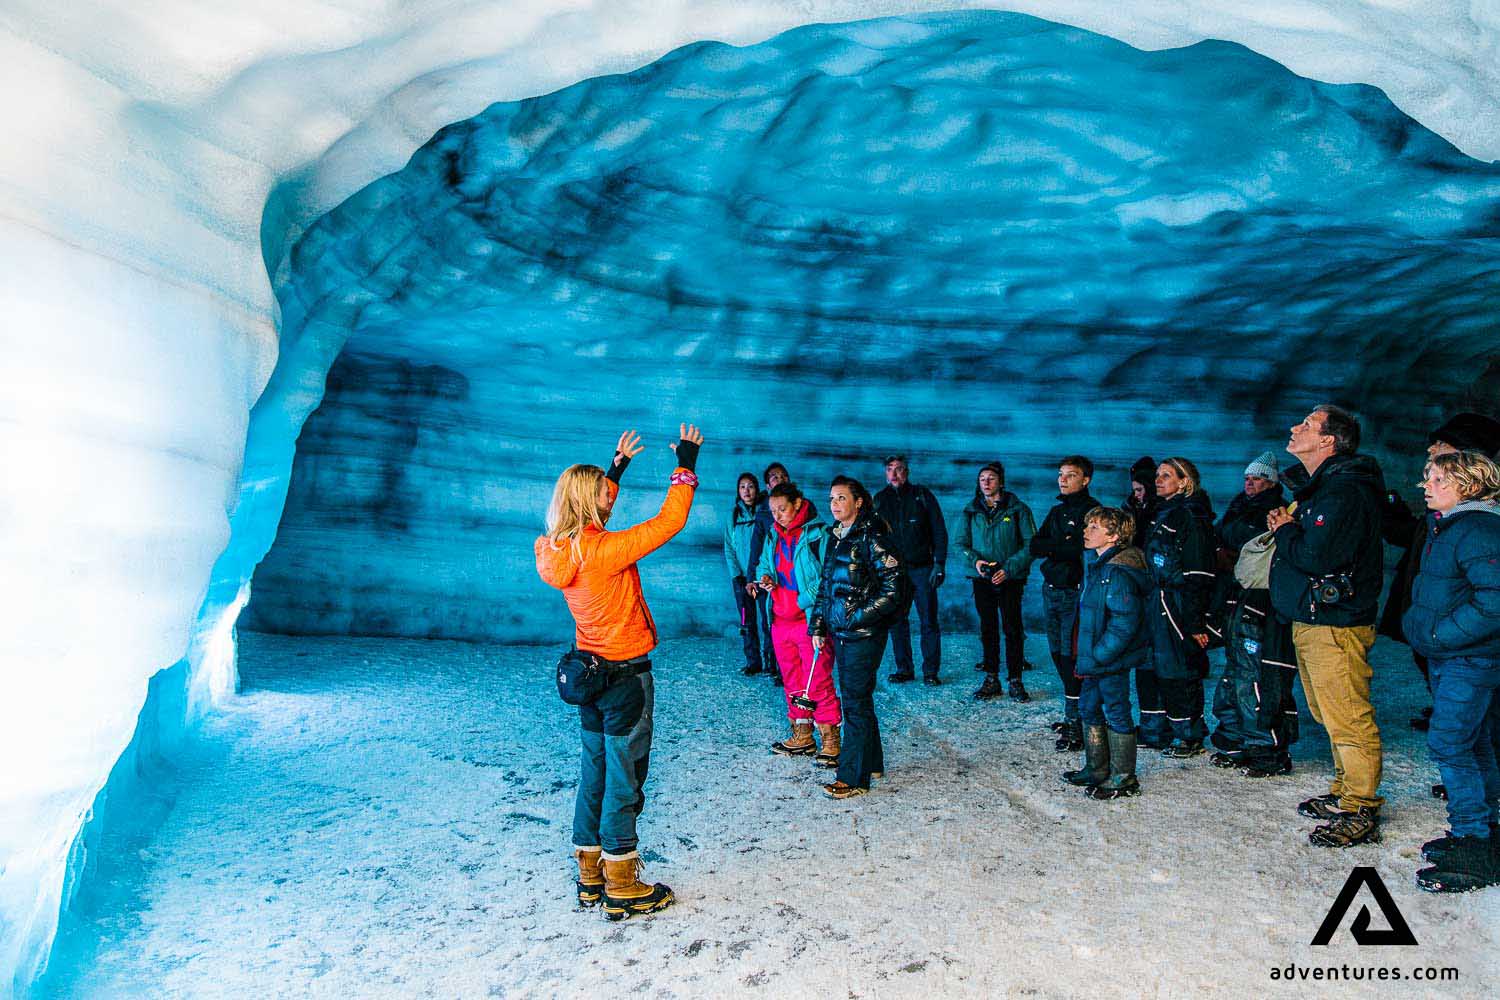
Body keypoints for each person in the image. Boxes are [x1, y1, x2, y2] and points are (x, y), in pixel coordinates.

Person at [535, 425, 703, 920]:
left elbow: (598, 504)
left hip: (589, 672)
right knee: (624, 777)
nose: (611, 500)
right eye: (603, 495)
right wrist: (686, 464)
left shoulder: (561, 549)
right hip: (626, 675)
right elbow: (669, 521)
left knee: (595, 772)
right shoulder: (605, 552)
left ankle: (589, 873)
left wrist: (616, 467)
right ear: (591, 503)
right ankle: (622, 881)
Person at [1268, 404, 1387, 848]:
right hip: (1314, 619)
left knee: (1348, 715)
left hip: (1334, 624)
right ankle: (1344, 790)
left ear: (1327, 441)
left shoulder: (1344, 493)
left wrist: (1284, 528)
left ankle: (1360, 805)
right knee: (1329, 712)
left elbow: (1318, 556)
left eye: (1306, 425)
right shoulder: (1327, 488)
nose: (1294, 427)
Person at [1401, 451, 1500, 892]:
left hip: (1469, 657)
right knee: (1473, 739)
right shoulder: (1453, 527)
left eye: (1438, 478)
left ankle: (1473, 840)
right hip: (1453, 655)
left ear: (1469, 485)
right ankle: (1484, 828)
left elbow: (1495, 601)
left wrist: (1442, 635)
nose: (1427, 485)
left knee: (1450, 742)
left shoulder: (1478, 530)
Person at [1379, 413, 1500, 733]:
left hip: (1461, 633)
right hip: (1438, 620)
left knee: (1467, 727)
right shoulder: (1448, 509)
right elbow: (1413, 535)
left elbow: (1492, 596)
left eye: (1442, 443)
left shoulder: (1480, 520)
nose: (1432, 447)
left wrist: (1443, 632)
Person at [810, 476, 911, 799]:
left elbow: (894, 588)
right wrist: (819, 625)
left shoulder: (872, 537)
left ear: (859, 502)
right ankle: (872, 762)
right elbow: (826, 586)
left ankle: (852, 777)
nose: (835, 504)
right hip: (841, 631)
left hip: (862, 634)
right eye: (832, 499)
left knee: (854, 702)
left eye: (841, 498)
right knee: (859, 699)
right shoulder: (837, 537)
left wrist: (855, 616)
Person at [1207, 450, 1298, 776]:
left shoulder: (1277, 510)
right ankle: (1237, 740)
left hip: (1261, 599)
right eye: (1247, 477)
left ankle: (1265, 749)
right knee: (1234, 675)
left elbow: (1237, 536)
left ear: (1271, 482)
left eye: (1257, 478)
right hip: (1238, 596)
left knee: (1254, 679)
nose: (1250, 483)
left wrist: (1227, 542)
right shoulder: (1241, 507)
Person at [1065, 506, 1151, 800]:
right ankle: (1096, 767)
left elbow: (1125, 623)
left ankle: (1124, 776)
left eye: (1094, 528)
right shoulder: (1100, 565)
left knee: (1116, 711)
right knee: (1089, 707)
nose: (1086, 532)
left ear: (1114, 535)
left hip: (1108, 661)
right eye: (1087, 525)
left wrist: (1100, 655)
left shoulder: (1117, 572)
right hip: (1095, 659)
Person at [755, 482, 841, 766]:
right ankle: (802, 734)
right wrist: (766, 577)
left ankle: (830, 738)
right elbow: (764, 564)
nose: (777, 515)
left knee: (817, 679)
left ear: (797, 503)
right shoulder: (773, 535)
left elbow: (828, 577)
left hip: (808, 619)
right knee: (791, 677)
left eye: (782, 509)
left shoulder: (819, 534)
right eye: (773, 511)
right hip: (780, 618)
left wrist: (803, 598)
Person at [1141, 458, 1217, 757]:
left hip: (1177, 602)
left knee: (1179, 668)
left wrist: (1196, 622)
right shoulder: (1163, 513)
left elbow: (1199, 572)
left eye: (1166, 475)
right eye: (1157, 476)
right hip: (1156, 600)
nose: (1158, 480)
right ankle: (1154, 728)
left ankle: (1188, 734)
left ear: (1185, 482)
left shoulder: (1192, 516)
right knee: (1151, 666)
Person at [1029, 456, 1098, 746]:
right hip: (1052, 589)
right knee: (1057, 653)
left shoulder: (1093, 511)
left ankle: (1079, 722)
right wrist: (1063, 546)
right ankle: (1075, 715)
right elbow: (1035, 545)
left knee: (1074, 657)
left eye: (1071, 475)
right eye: (1060, 474)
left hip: (1075, 592)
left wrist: (1059, 548)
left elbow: (1082, 550)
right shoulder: (1058, 512)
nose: (1063, 479)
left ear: (1086, 480)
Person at [955, 461, 1036, 702]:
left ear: (1001, 481)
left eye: (991, 478)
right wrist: (976, 562)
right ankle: (991, 677)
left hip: (1010, 579)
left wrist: (1009, 569)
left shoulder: (1018, 509)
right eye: (983, 479)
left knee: (1012, 628)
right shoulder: (970, 511)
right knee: (988, 628)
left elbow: (1031, 544)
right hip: (982, 578)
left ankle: (1015, 679)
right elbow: (960, 543)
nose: (987, 483)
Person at [873, 455, 947, 685]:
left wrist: (939, 564)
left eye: (899, 469)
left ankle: (931, 671)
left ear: (908, 472)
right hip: (894, 573)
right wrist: (878, 568)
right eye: (890, 469)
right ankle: (904, 668)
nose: (894, 474)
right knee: (897, 621)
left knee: (928, 621)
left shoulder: (922, 496)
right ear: (885, 473)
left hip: (922, 569)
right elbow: (874, 538)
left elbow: (939, 531)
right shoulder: (879, 500)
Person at [745, 462, 794, 683]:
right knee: (770, 622)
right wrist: (751, 578)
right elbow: (756, 548)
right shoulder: (764, 512)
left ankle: (791, 667)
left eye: (783, 476)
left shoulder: (802, 508)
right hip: (768, 576)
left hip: (793, 577)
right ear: (767, 485)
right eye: (775, 477)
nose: (780, 480)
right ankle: (774, 664)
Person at [724, 473, 766, 676]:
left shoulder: (764, 512)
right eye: (743, 487)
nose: (747, 491)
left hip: (762, 577)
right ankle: (753, 662)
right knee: (746, 620)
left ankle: (773, 663)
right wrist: (736, 575)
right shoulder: (733, 516)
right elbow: (729, 548)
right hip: (742, 578)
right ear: (738, 491)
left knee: (768, 620)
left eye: (751, 486)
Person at [1124, 456, 1159, 553]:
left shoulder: (1160, 509)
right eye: (1134, 490)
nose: (1136, 494)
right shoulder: (1130, 504)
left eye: (1139, 490)